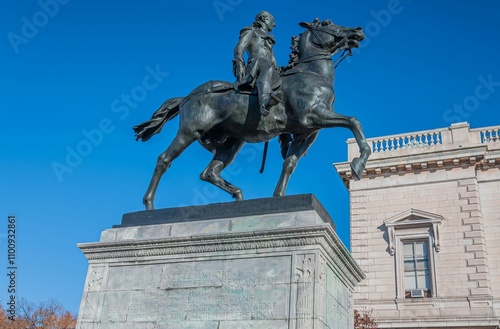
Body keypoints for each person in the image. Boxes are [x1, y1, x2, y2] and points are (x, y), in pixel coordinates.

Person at [233, 11, 280, 117]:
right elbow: (239, 48)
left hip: (268, 68)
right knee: (265, 64)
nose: (275, 24)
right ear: (264, 18)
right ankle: (264, 102)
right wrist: (239, 62)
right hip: (255, 65)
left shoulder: (268, 38)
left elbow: (271, 57)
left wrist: (277, 68)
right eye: (272, 20)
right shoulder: (252, 31)